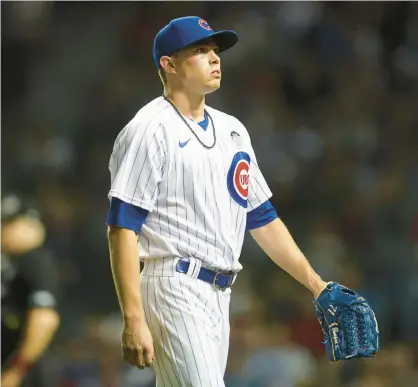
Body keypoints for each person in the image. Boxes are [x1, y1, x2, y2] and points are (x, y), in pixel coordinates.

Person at [106, 16, 328, 386]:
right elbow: (122, 226)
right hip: (174, 283)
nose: (215, 58)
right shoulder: (149, 129)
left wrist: (316, 283)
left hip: (220, 293)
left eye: (215, 51)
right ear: (169, 63)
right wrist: (133, 317)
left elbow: (262, 217)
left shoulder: (232, 130)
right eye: (200, 50)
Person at [1, 193, 61, 387]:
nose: (3, 230)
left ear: (30, 225)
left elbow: (44, 319)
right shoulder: (15, 263)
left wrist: (16, 371)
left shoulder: (36, 261)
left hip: (28, 376)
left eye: (8, 224)